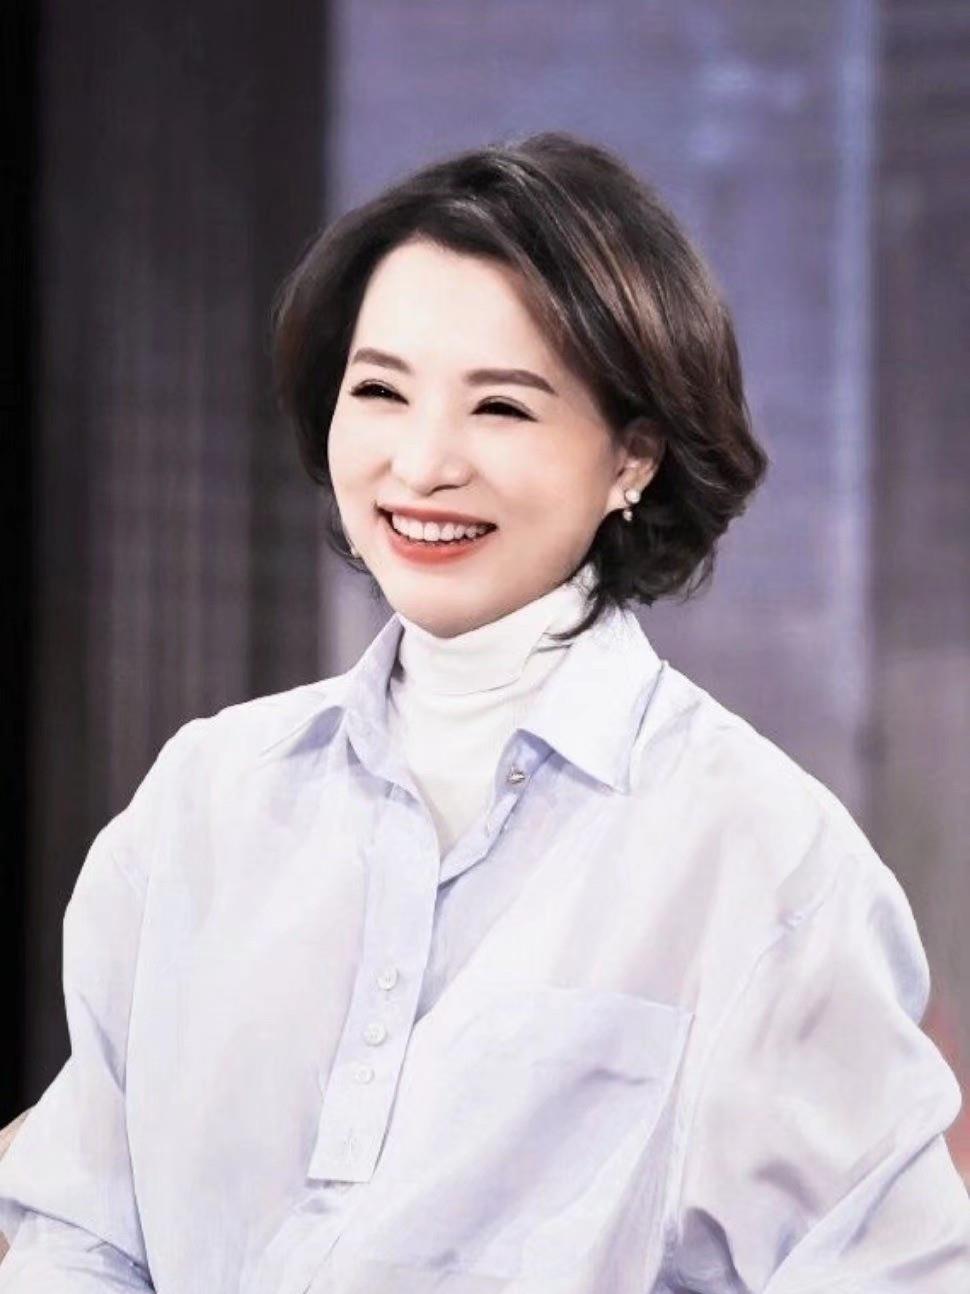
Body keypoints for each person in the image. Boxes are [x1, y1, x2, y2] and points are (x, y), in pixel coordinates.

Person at [0, 130, 967, 1293]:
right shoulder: (204, 797)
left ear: (633, 457)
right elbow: (76, 1234)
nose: (421, 464)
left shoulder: (762, 856)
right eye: (379, 390)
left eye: (501, 408)